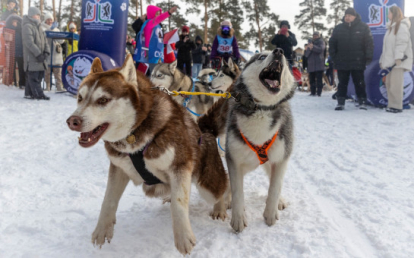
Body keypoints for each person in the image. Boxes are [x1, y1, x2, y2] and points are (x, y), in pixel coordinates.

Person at [329, 7, 374, 110]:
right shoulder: (338, 28)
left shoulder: (363, 27)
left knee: (359, 83)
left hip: (358, 60)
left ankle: (362, 101)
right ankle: (340, 102)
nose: (347, 17)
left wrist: (367, 57)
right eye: (346, 15)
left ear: (354, 16)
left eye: (349, 15)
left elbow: (369, 43)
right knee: (342, 83)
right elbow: (332, 44)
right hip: (342, 61)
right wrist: (335, 57)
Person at [380, 6, 413, 113]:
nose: (387, 15)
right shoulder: (390, 28)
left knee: (396, 85)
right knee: (389, 84)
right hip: (390, 62)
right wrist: (382, 60)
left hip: (398, 62)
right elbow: (386, 48)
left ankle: (396, 106)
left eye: (389, 13)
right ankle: (391, 104)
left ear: (394, 14)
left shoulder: (401, 26)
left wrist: (398, 57)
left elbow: (402, 43)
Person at [22, 7, 50, 100]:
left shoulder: (40, 27)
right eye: (36, 15)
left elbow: (45, 41)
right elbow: (29, 42)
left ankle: (29, 93)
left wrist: (46, 52)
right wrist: (38, 54)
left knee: (39, 76)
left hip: (40, 57)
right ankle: (39, 94)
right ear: (31, 15)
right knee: (34, 78)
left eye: (39, 15)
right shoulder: (27, 26)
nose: (38, 17)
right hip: (32, 58)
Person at [41, 13, 65, 92]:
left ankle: (59, 87)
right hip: (48, 54)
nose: (50, 21)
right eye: (48, 20)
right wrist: (51, 30)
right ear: (45, 20)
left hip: (57, 55)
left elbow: (62, 41)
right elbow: (44, 36)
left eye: (51, 20)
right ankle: (47, 86)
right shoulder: (42, 28)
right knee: (47, 73)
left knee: (58, 73)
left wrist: (59, 35)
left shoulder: (57, 29)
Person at [5, 14, 25, 88]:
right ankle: (12, 82)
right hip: (11, 52)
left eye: (16, 22)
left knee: (21, 68)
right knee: (11, 68)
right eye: (13, 22)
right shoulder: (8, 30)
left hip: (20, 52)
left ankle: (22, 83)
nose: (15, 23)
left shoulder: (21, 30)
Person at [305, 31, 326, 96]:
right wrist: (309, 48)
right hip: (311, 65)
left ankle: (319, 92)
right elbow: (306, 54)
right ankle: (313, 92)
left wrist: (313, 47)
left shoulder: (321, 42)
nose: (315, 36)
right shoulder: (310, 43)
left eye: (316, 35)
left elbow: (320, 49)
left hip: (319, 64)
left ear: (319, 36)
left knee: (319, 79)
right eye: (314, 35)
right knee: (312, 79)